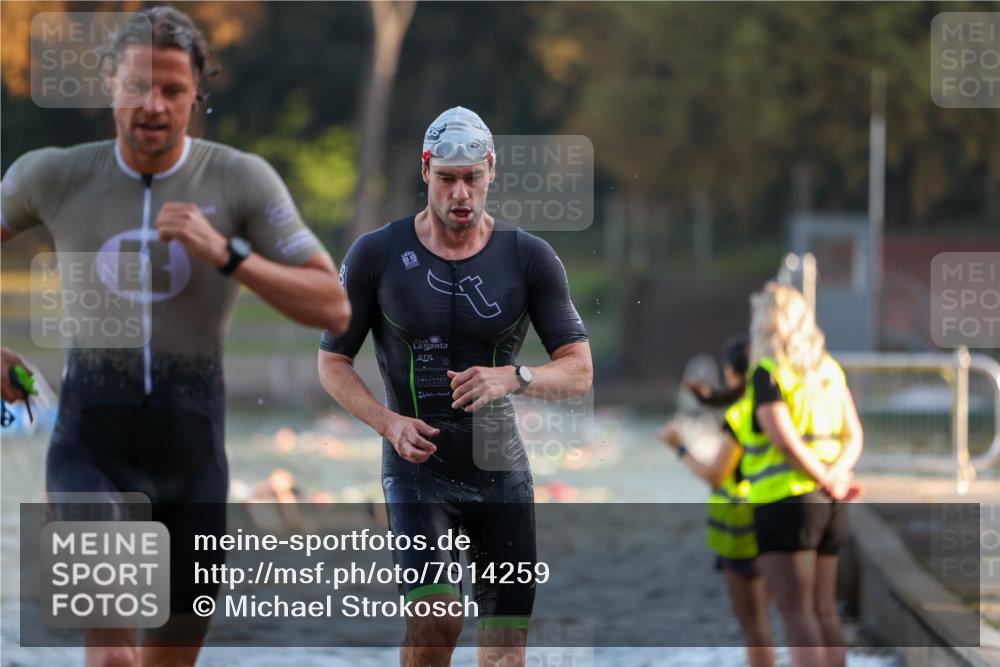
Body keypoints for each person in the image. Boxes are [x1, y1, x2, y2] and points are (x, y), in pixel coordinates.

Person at [0, 7, 350, 666]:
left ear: (198, 95)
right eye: (137, 86)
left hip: (193, 462)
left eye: (172, 90)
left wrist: (229, 253)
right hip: (88, 454)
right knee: (112, 658)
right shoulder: (52, 173)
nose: (152, 105)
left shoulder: (238, 179)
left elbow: (333, 305)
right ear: (109, 83)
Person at [318, 106, 593, 667]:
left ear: (491, 170)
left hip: (500, 470)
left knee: (506, 649)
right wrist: (387, 422)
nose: (460, 193)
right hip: (418, 469)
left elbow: (579, 370)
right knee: (438, 619)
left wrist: (515, 377)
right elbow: (332, 362)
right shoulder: (377, 254)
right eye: (447, 178)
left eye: (472, 178)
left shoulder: (530, 258)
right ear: (426, 171)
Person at [741, 282, 864, 667]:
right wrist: (836, 477)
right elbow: (854, 434)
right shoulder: (829, 369)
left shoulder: (768, 373)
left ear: (767, 323)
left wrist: (823, 478)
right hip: (831, 503)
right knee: (825, 612)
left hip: (786, 502)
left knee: (797, 614)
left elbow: (785, 441)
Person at [659, 336, 776, 667]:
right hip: (775, 519)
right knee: (785, 620)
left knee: (754, 627)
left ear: (730, 371)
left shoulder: (740, 416)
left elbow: (715, 475)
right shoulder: (775, 407)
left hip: (741, 534)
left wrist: (679, 447)